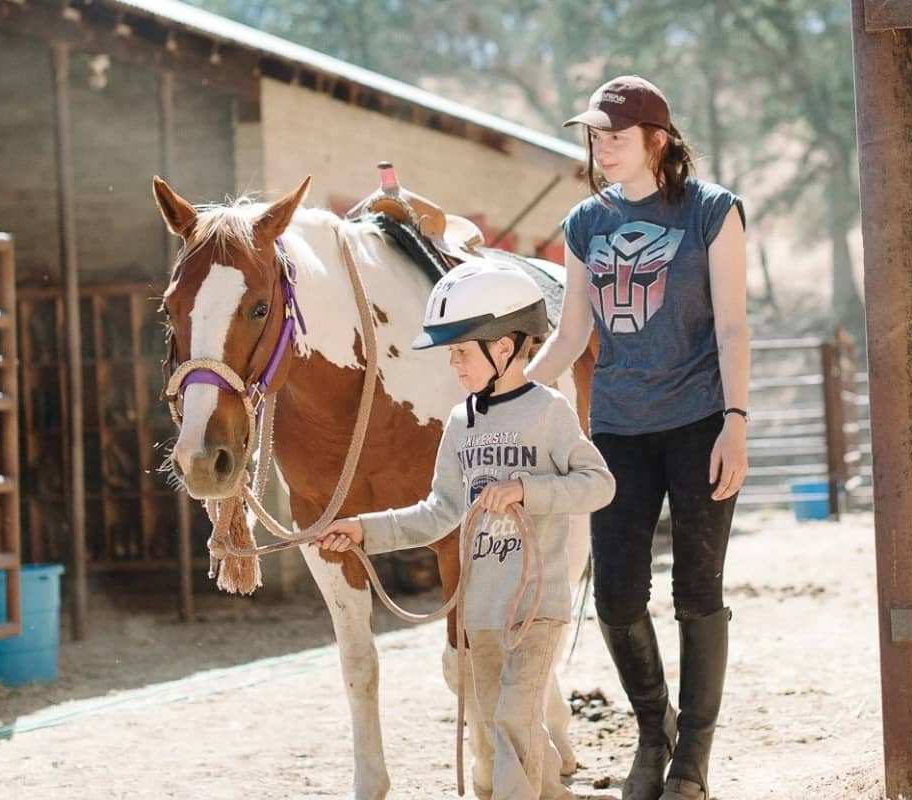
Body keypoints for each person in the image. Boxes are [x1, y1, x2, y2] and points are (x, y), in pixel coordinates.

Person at [315, 256, 616, 800]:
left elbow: (600, 485)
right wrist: (363, 530)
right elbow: (439, 512)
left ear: (503, 346)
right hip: (480, 614)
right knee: (507, 732)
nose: (452, 363)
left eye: (460, 350)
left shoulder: (549, 413)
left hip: (535, 606)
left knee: (510, 723)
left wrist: (529, 490)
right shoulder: (460, 423)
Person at [525, 75, 749, 800]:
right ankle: (655, 731)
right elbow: (572, 332)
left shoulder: (711, 210)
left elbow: (732, 326)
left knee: (696, 592)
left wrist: (736, 425)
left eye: (615, 137)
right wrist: (509, 397)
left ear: (657, 139)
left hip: (699, 422)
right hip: (617, 428)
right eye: (594, 137)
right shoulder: (584, 223)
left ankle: (693, 759)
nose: (602, 149)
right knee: (617, 597)